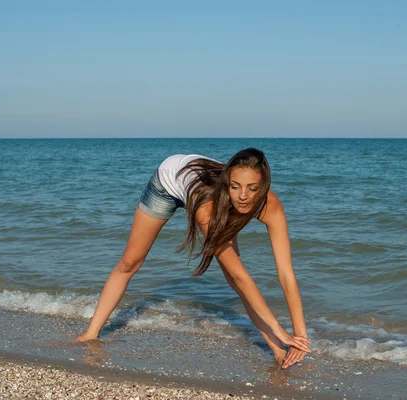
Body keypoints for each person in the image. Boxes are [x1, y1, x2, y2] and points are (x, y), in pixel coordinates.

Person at [76, 148, 310, 369]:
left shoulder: (272, 205)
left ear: (264, 186)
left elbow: (286, 275)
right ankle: (91, 333)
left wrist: (300, 334)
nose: (243, 196)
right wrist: (278, 328)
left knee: (234, 280)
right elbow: (241, 276)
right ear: (228, 182)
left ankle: (279, 352)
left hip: (210, 193)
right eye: (235, 186)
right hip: (167, 183)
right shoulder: (206, 208)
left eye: (252, 188)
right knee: (130, 263)